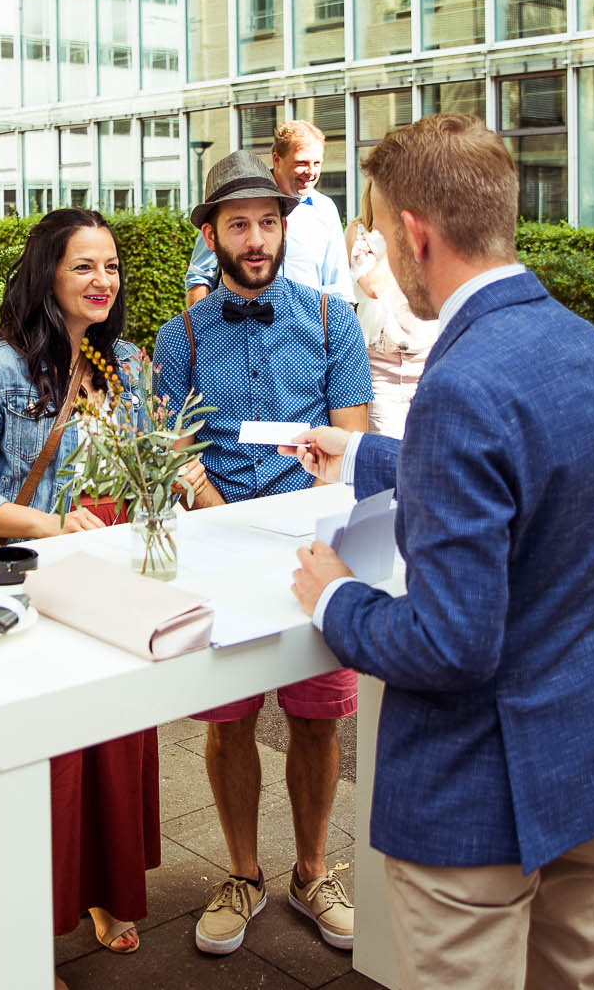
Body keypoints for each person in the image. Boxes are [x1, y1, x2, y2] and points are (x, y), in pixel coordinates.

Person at [286, 112, 594, 990]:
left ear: (415, 233)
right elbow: (527, 469)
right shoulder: (588, 347)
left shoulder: (462, 382)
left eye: (376, 231)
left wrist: (336, 596)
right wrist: (369, 454)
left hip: (481, 800)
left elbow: (452, 642)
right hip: (592, 764)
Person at [0, 208, 184, 970]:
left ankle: (101, 890)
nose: (103, 280)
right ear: (48, 274)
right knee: (46, 764)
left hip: (108, 586)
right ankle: (26, 933)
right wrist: (44, 523)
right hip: (25, 586)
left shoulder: (131, 364)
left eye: (111, 267)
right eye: (84, 266)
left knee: (110, 742)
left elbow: (145, 470)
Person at [153, 151, 372, 958]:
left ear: (287, 226)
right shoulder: (177, 337)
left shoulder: (329, 319)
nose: (255, 238)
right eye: (238, 223)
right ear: (211, 234)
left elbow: (353, 441)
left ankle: (312, 872)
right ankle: (242, 873)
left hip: (313, 553)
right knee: (229, 719)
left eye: (268, 221)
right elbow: (173, 448)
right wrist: (217, 514)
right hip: (216, 549)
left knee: (318, 718)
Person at [185, 121, 353, 307]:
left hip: (305, 331)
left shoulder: (325, 209)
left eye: (317, 163)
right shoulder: (234, 200)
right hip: (240, 329)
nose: (311, 172)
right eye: (302, 163)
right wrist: (202, 330)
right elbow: (199, 276)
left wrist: (337, 331)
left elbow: (338, 288)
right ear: (276, 159)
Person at [347, 182, 439, 437]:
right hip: (381, 365)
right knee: (387, 458)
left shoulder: (430, 230)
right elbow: (373, 286)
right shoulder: (360, 232)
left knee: (428, 457)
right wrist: (403, 238)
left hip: (426, 359)